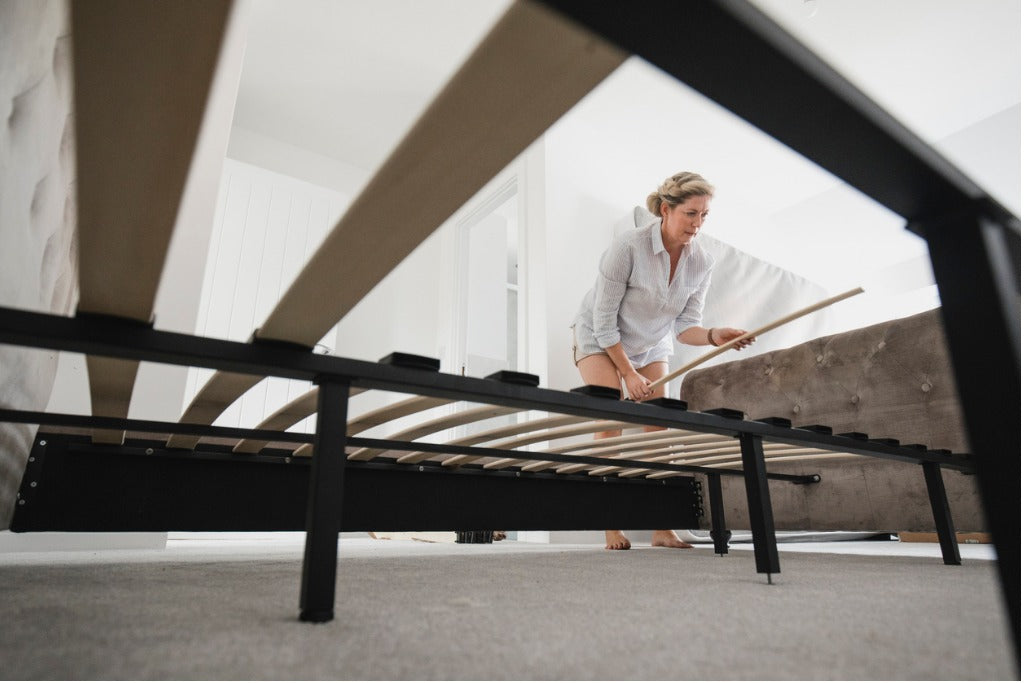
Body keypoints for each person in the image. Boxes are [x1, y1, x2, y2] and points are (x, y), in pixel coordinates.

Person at [570, 171, 755, 550]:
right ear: (666, 210)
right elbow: (605, 323)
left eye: (704, 216)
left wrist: (713, 335)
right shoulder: (628, 247)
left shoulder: (701, 261)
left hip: (651, 345)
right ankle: (610, 526)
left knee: (659, 429)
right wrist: (628, 374)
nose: (697, 224)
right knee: (612, 422)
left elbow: (686, 326)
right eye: (690, 214)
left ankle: (661, 528)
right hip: (598, 337)